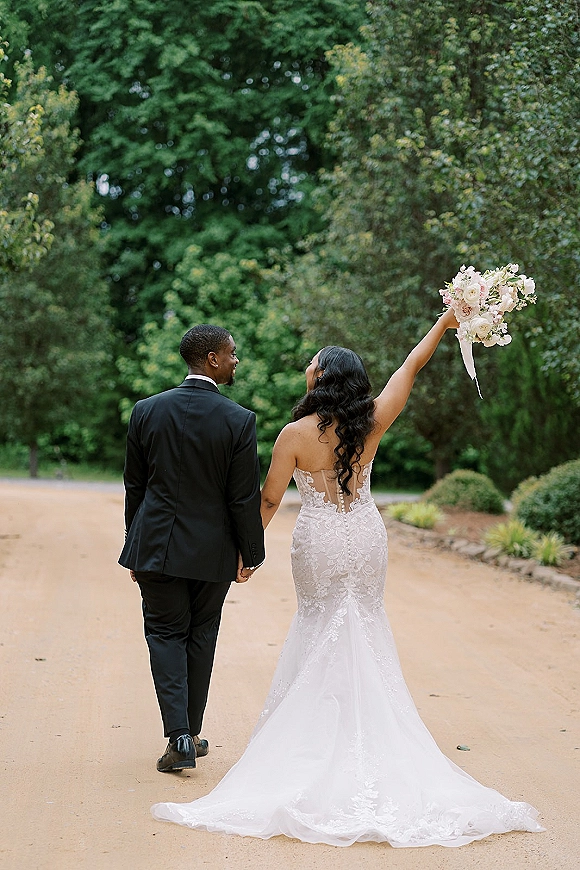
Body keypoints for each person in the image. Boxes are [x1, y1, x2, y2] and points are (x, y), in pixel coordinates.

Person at [151, 310, 543, 846]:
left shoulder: (294, 434)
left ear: (321, 379)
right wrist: (444, 323)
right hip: (363, 535)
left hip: (318, 539)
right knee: (364, 622)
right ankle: (374, 736)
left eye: (312, 367)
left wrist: (246, 553)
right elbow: (412, 364)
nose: (306, 371)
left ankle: (313, 740)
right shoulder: (374, 420)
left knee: (318, 623)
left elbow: (267, 499)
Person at [119, 324, 265, 773]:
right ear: (212, 359)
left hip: (156, 547)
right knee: (201, 636)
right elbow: (243, 498)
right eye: (232, 352)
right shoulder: (238, 420)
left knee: (164, 634)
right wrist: (251, 553)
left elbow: (135, 485)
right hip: (212, 552)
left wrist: (135, 542)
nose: (236, 359)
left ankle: (180, 737)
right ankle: (191, 732)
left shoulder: (146, 410)